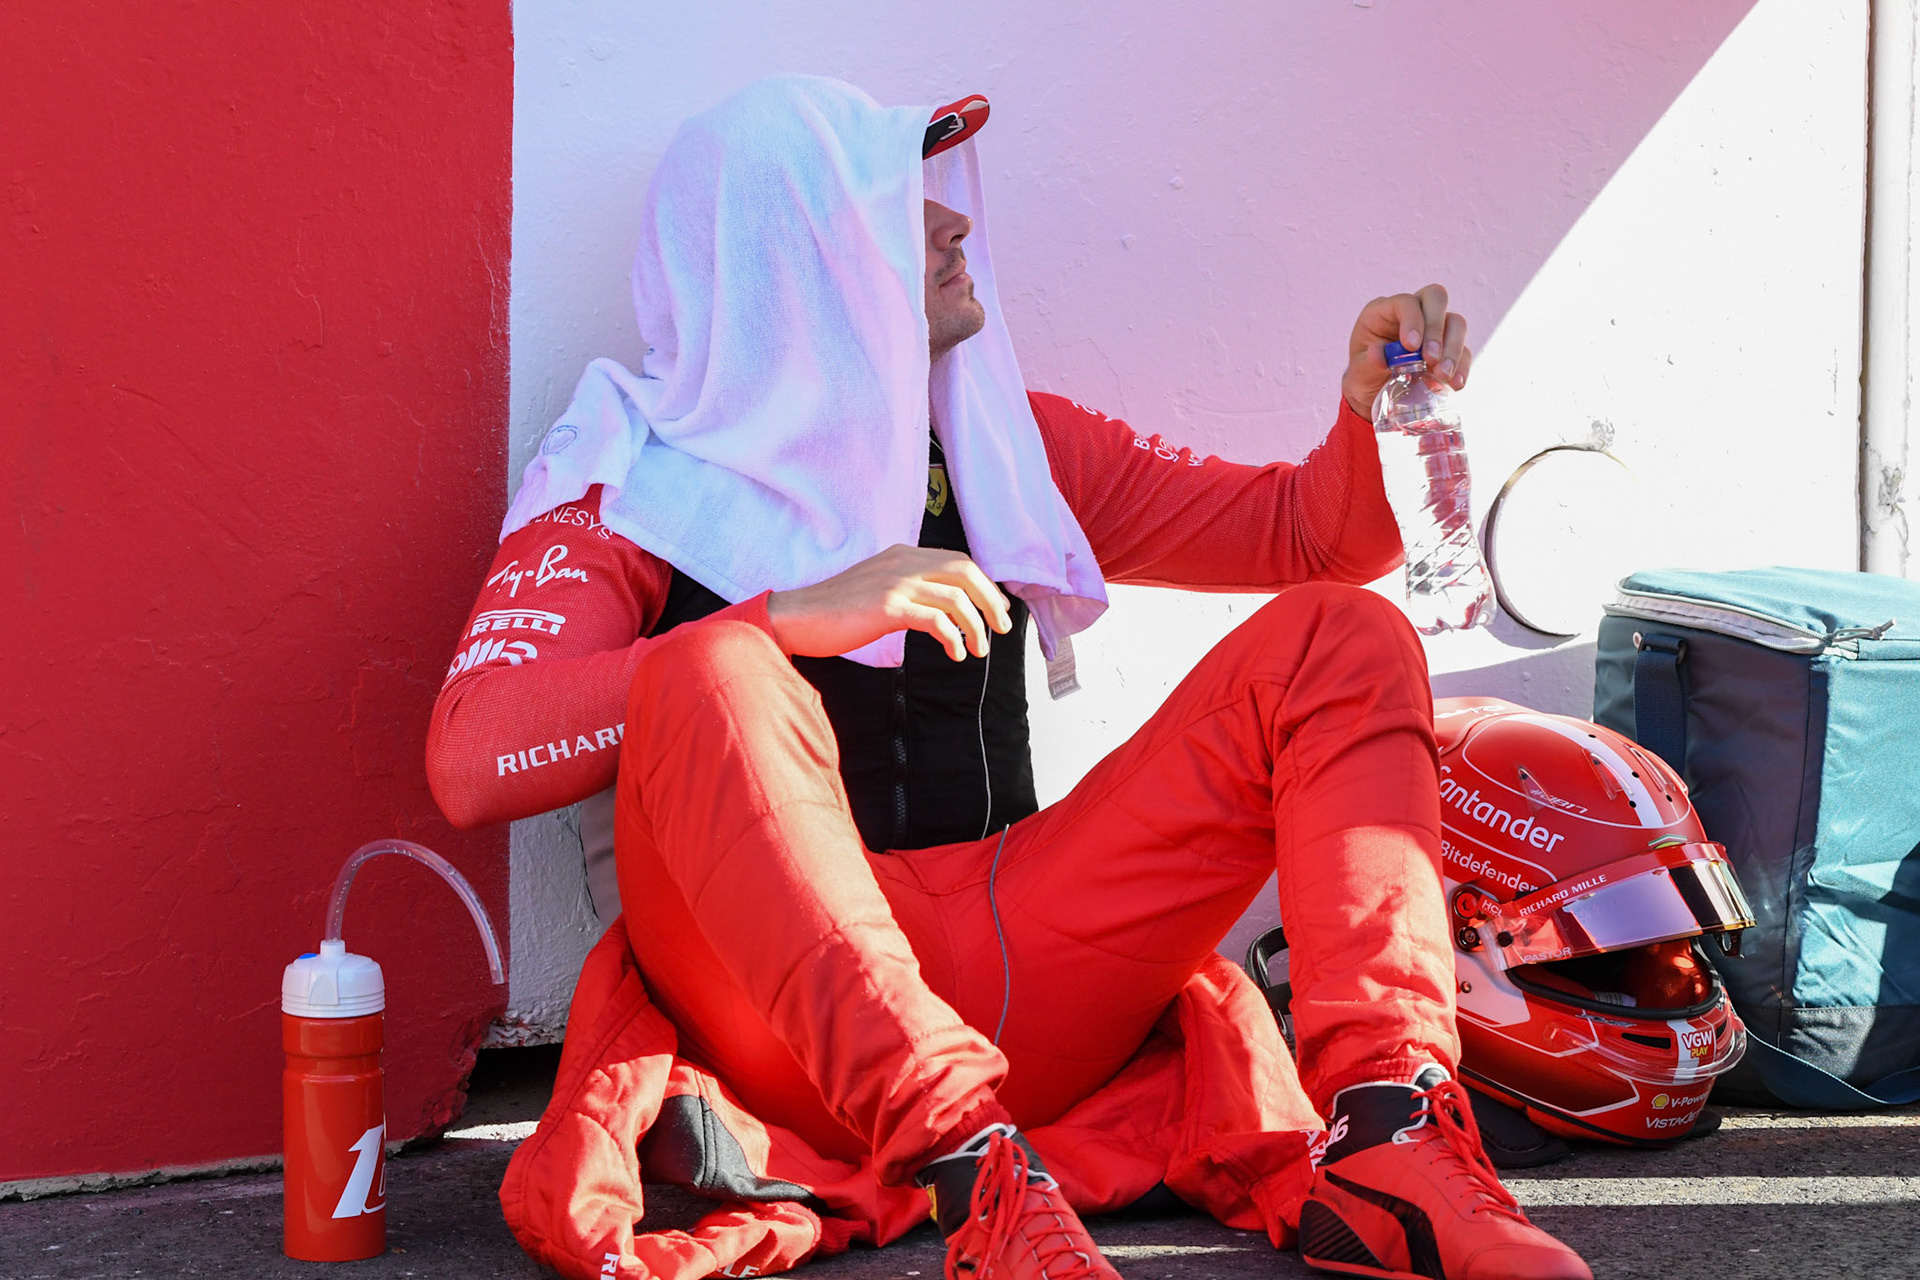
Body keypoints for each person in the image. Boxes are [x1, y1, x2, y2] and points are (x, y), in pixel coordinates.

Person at [429, 76, 1590, 1280]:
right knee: (719, 664)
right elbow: (470, 758)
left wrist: (1373, 416)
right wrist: (789, 620)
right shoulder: (632, 472)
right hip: (791, 1029)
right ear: (793, 253)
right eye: (900, 202)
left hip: (1021, 957)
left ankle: (1392, 1141)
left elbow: (1311, 539)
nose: (953, 223)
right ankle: (976, 1181)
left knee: (1341, 638)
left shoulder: (995, 440)